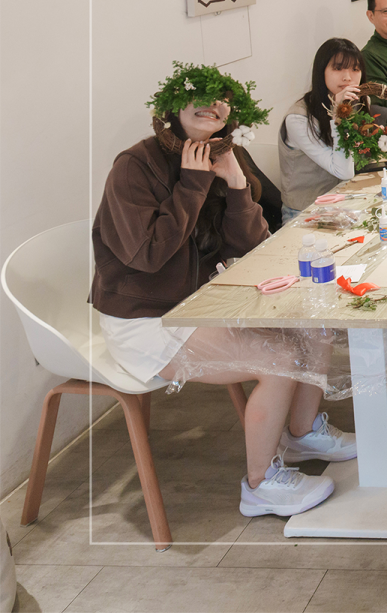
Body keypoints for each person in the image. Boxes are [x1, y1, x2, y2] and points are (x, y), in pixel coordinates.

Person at [93, 64, 354, 519]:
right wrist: (193, 184)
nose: (211, 104)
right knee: (279, 358)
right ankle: (259, 485)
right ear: (172, 106)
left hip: (201, 303)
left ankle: (302, 432)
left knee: (315, 326)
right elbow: (148, 256)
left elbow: (252, 246)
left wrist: (235, 185)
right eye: (198, 95)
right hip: (147, 319)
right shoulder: (135, 166)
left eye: (221, 100)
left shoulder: (225, 154)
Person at [278, 38, 363, 222]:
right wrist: (339, 118)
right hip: (306, 213)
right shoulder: (298, 118)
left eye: (355, 69)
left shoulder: (356, 103)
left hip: (346, 203)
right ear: (321, 72)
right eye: (338, 68)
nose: (348, 77)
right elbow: (343, 172)